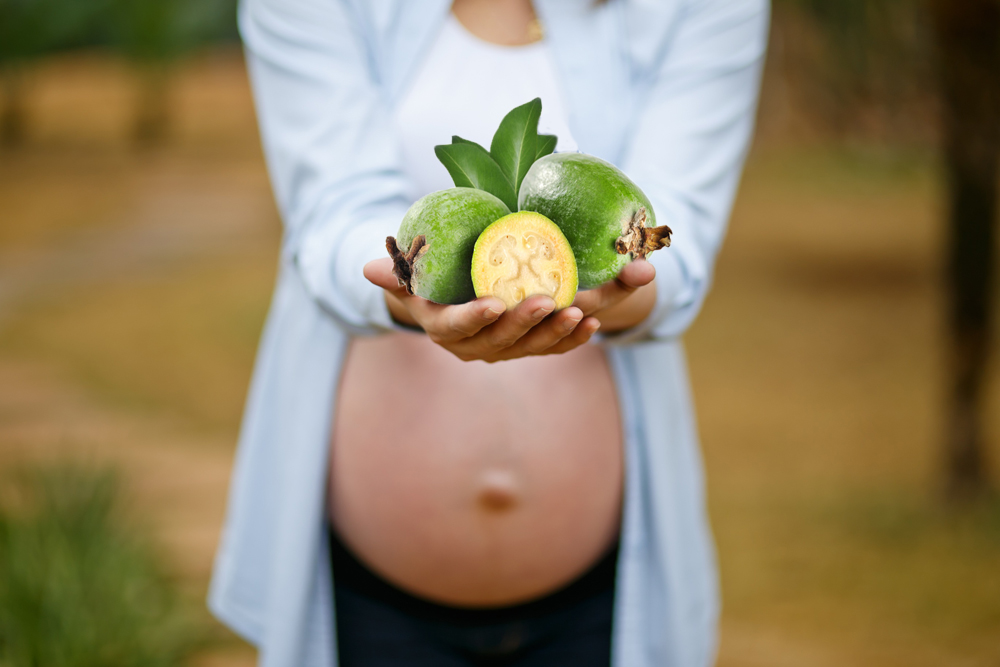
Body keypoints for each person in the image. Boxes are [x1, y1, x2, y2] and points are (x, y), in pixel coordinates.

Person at [208, 0, 769, 665]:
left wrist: (624, 289)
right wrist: (409, 289)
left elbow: (678, 233)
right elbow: (333, 211)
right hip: (369, 596)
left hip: (600, 603)